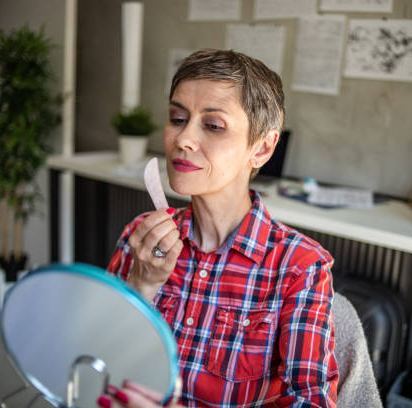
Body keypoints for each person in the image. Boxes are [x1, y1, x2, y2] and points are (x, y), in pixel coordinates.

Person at [101, 49, 338, 408]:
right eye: (177, 118)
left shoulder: (301, 267)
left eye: (212, 126)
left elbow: (311, 403)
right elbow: (95, 359)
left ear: (261, 148)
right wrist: (141, 284)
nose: (183, 139)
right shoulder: (141, 237)